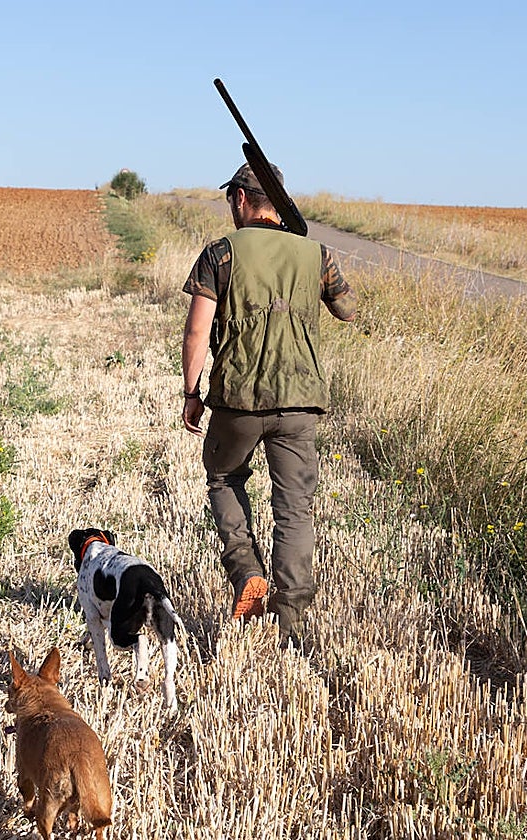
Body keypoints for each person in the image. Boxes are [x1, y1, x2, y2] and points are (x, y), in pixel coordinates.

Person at [181, 162, 357, 645]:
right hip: (300, 403)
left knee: (223, 478)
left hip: (237, 401)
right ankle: (293, 620)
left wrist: (191, 393)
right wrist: (307, 253)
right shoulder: (314, 254)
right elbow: (347, 309)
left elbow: (197, 331)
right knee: (294, 511)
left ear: (240, 198)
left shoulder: (220, 253)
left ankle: (246, 574)